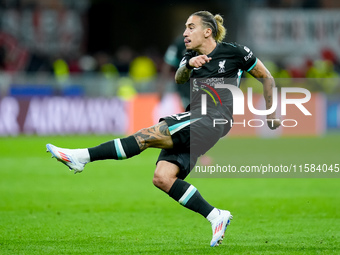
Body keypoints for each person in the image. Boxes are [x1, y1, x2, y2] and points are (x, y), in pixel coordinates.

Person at [46, 11, 280, 247]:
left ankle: (81, 157)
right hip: (196, 118)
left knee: (145, 136)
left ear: (207, 31)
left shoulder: (236, 52)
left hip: (212, 117)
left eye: (191, 27)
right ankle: (216, 215)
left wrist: (271, 112)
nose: (185, 33)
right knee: (163, 178)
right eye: (185, 28)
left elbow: (266, 77)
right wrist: (189, 64)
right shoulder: (189, 55)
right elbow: (179, 77)